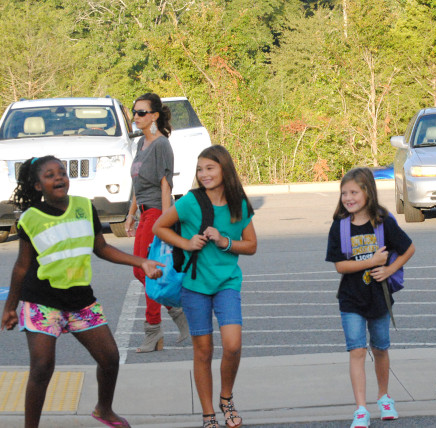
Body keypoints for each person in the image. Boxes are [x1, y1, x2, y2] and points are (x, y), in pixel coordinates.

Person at [1, 156, 163, 428]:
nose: (59, 178)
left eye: (62, 172)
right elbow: (21, 267)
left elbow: (101, 248)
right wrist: (10, 307)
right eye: (50, 175)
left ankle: (104, 409)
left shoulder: (84, 208)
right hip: (42, 302)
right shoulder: (31, 219)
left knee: (110, 358)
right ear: (38, 185)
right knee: (42, 367)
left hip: (80, 301)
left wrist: (141, 262)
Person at [153, 145, 256, 428]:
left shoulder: (240, 204)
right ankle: (208, 413)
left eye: (210, 168)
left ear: (225, 169)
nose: (204, 174)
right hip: (195, 285)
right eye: (200, 169)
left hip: (227, 283)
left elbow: (251, 245)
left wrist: (225, 242)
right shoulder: (190, 201)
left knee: (233, 345)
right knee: (204, 350)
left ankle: (226, 398)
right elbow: (159, 227)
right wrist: (186, 243)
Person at [325, 167, 415, 428]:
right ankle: (361, 408)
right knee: (357, 351)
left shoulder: (383, 222)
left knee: (381, 348)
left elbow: (409, 248)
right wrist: (372, 262)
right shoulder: (340, 226)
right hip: (351, 299)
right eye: (344, 193)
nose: (348, 198)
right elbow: (340, 266)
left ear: (368, 192)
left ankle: (384, 397)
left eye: (354, 192)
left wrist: (388, 269)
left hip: (379, 298)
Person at [124, 92, 190, 353]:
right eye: (134, 112)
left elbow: (166, 187)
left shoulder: (162, 145)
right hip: (143, 212)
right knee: (140, 271)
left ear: (154, 115)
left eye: (141, 113)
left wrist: (165, 224)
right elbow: (136, 182)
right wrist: (130, 214)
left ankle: (153, 331)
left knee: (146, 270)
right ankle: (175, 308)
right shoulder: (141, 143)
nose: (136, 117)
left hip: (156, 214)